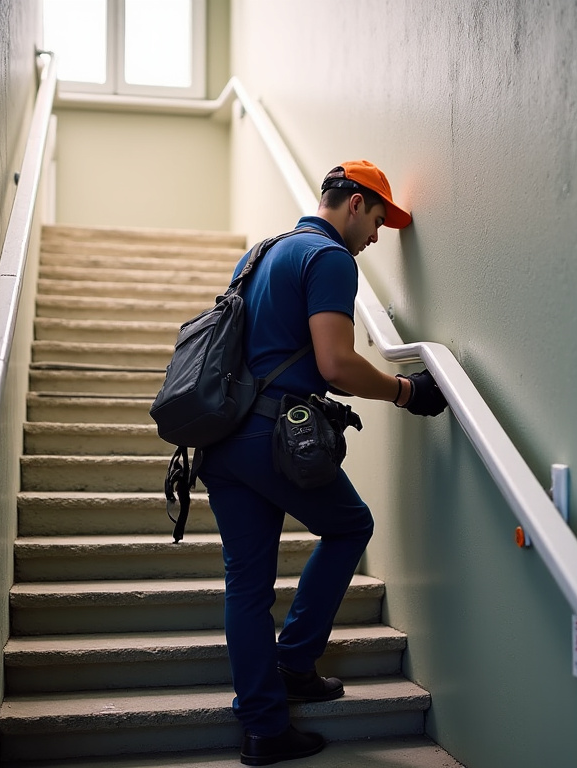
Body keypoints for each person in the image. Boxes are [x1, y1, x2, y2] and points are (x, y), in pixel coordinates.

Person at [197, 160, 448, 766]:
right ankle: (295, 658)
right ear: (355, 203)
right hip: (272, 438)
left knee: (247, 584)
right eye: (380, 220)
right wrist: (405, 391)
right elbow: (335, 364)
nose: (378, 237)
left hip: (223, 439)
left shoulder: (261, 253)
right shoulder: (329, 258)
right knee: (349, 525)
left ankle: (264, 726)